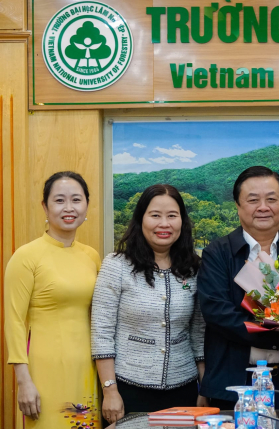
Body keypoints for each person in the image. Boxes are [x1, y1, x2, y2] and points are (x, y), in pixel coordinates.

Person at [197, 166, 279, 409]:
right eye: (253, 200)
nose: (263, 207)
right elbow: (217, 313)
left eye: (271, 199)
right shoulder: (218, 253)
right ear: (238, 206)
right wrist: (276, 340)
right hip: (237, 385)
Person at [91, 184, 206, 424]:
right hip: (128, 389)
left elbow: (199, 333)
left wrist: (204, 387)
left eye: (172, 216)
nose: (164, 224)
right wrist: (110, 390)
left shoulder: (194, 268)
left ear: (182, 222)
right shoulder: (117, 265)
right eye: (155, 215)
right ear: (140, 219)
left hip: (183, 390)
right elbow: (101, 331)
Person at [4, 171, 101, 429]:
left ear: (87, 205)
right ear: (45, 207)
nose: (69, 208)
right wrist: (23, 382)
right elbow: (13, 322)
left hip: (86, 369)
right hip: (44, 370)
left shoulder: (92, 256)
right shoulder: (26, 257)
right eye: (59, 200)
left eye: (76, 200)